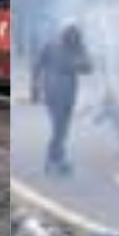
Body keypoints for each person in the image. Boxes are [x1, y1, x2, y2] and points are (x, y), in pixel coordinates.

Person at [32, 23, 91, 176]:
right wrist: (34, 88)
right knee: (59, 129)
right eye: (71, 35)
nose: (73, 38)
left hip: (68, 94)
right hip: (53, 93)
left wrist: (78, 64)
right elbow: (37, 65)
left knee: (62, 130)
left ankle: (57, 160)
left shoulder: (78, 47)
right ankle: (53, 161)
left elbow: (89, 66)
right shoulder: (52, 45)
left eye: (75, 36)